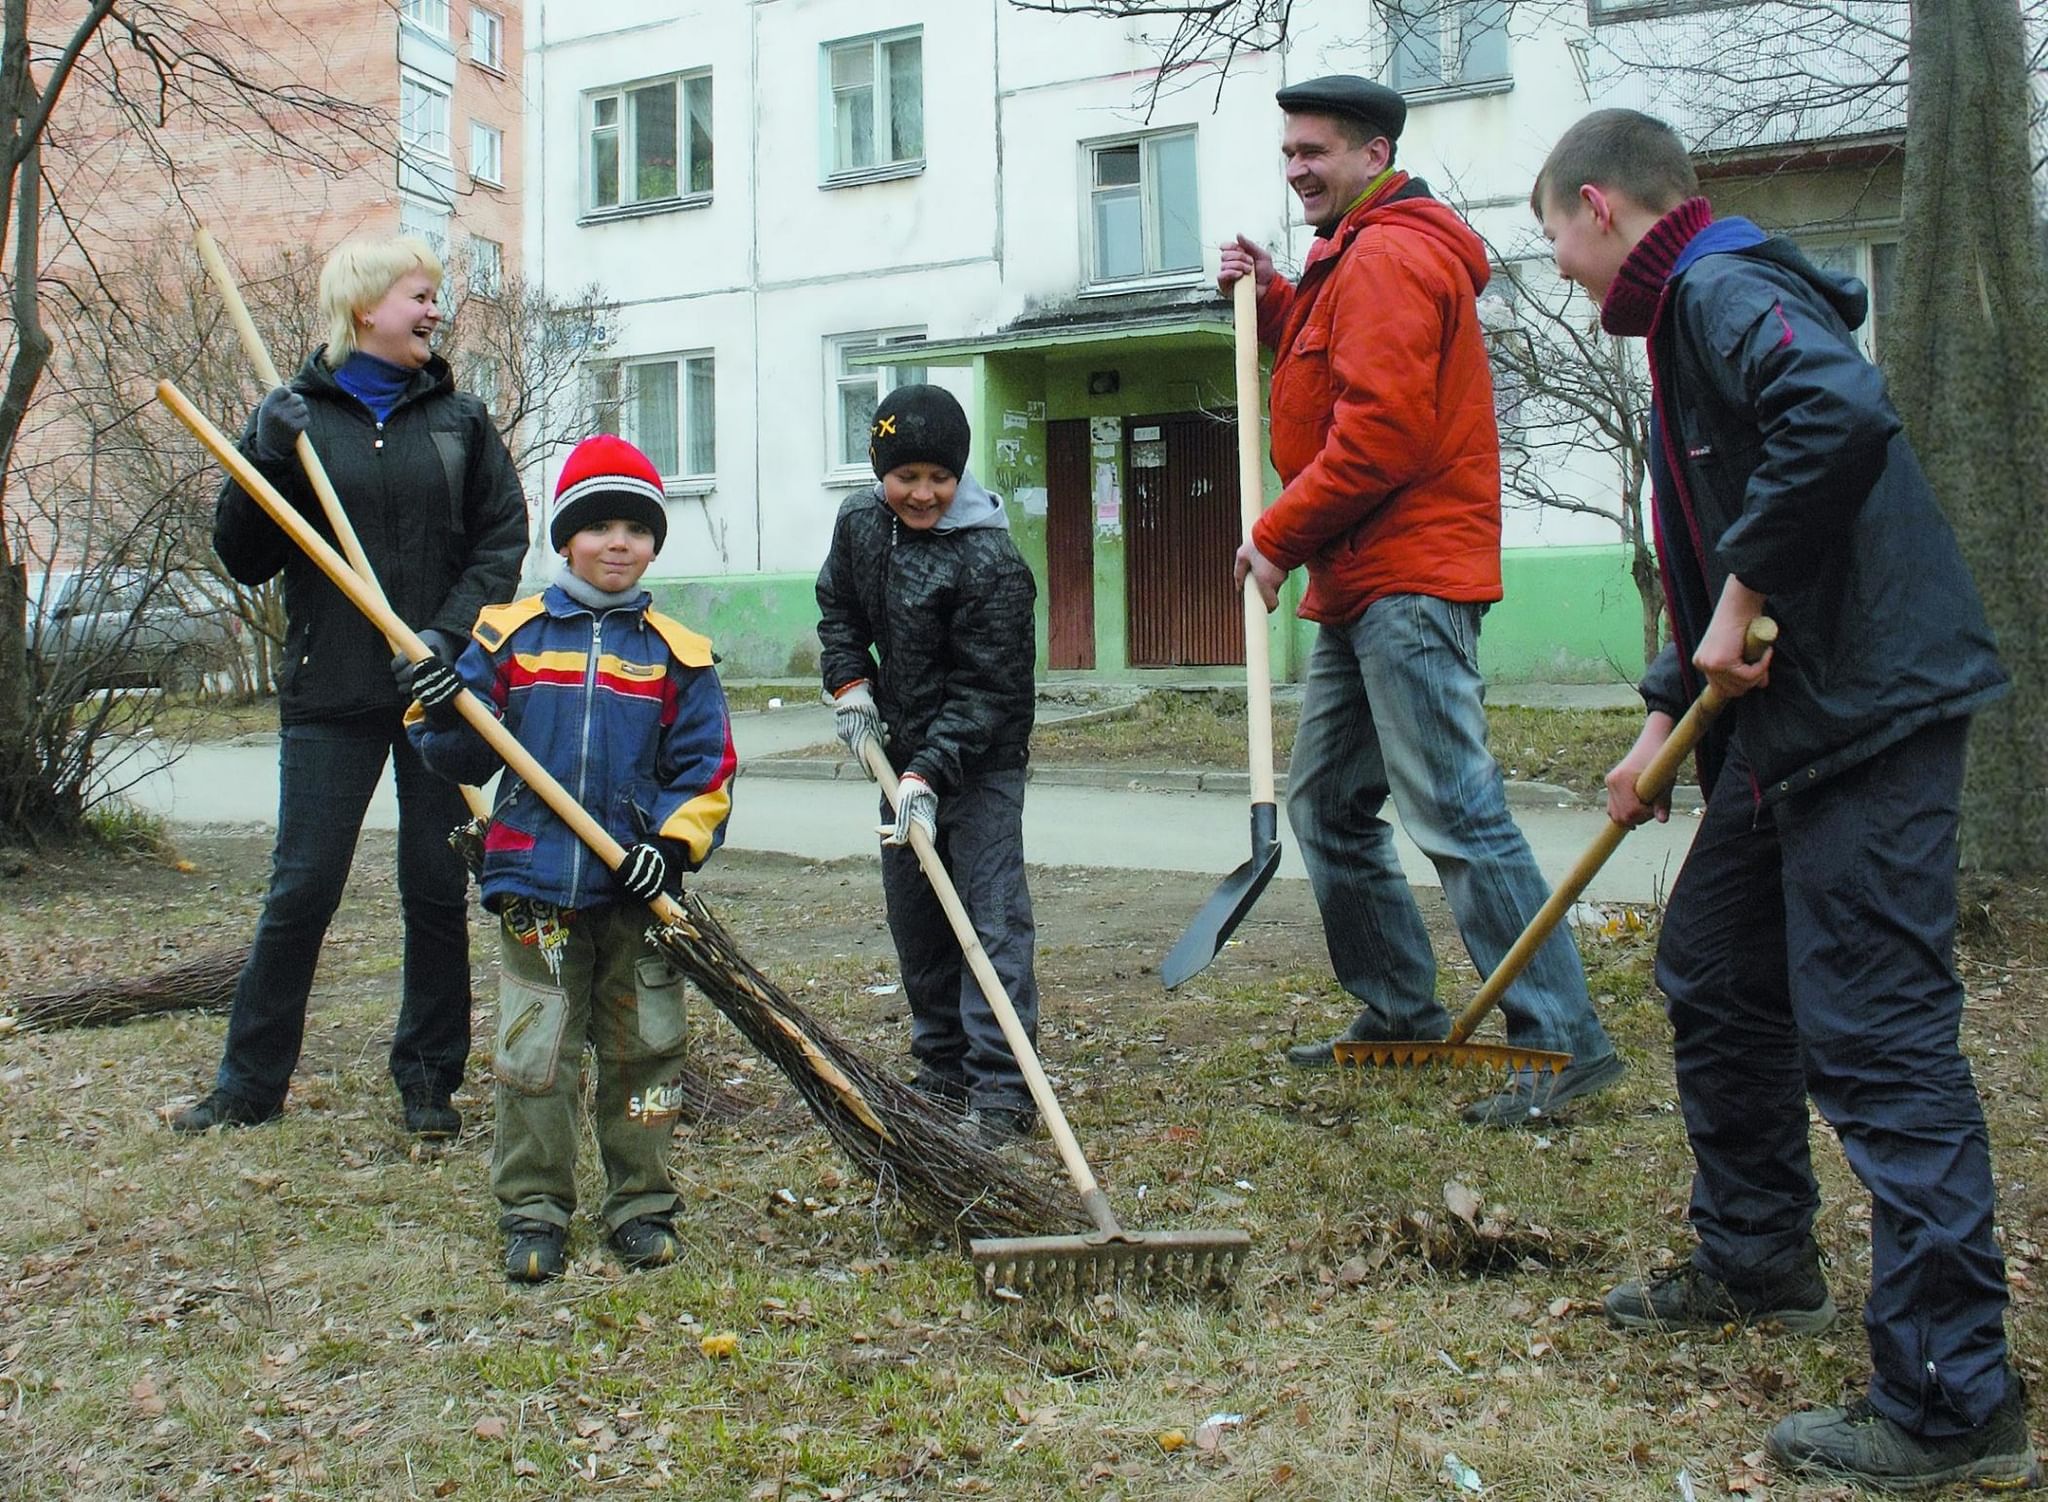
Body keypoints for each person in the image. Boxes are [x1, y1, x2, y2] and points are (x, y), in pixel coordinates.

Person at [1530, 108, 2032, 1491]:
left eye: (1556, 244)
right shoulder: (1689, 324)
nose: (1564, 273)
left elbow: (1841, 412)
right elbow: (1709, 566)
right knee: (1712, 967)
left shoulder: (1716, 290)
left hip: (1864, 708)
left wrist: (1747, 594)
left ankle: (1952, 1401)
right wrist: (1654, 722)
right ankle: (1757, 1257)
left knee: (1874, 1032)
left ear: (1597, 206)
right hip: (1792, 720)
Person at [1217, 75, 1621, 1126]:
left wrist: (1273, 537)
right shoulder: (1352, 253)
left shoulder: (1391, 253)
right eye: (1288, 153)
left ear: (1371, 152)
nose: (1296, 167)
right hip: (1360, 580)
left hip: (1407, 577)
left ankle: (1561, 1040)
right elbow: (1324, 363)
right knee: (1326, 804)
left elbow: (1380, 432)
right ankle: (1400, 1007)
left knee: (1453, 808)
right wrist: (1268, 297)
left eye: (1316, 151)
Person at [175, 236, 527, 1139]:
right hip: (327, 693)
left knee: (432, 886)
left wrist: (447, 638)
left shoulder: (461, 421)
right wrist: (261, 453)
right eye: (421, 294)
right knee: (302, 888)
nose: (436, 310)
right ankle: (249, 1086)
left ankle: (428, 1081)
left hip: (434, 692)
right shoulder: (295, 420)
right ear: (368, 307)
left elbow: (499, 540)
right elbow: (245, 558)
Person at [403, 434, 734, 1282]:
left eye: (636, 527)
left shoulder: (677, 654)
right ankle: (534, 1210)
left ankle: (642, 1205)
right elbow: (456, 754)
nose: (617, 542)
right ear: (564, 539)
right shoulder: (510, 637)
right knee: (534, 1054)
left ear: (655, 542)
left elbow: (708, 771)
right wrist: (445, 707)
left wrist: (669, 845)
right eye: (597, 526)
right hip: (536, 886)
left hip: (636, 894)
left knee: (646, 1051)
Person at [815, 384, 1041, 1150]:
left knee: (987, 915)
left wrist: (930, 773)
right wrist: (850, 682)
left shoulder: (989, 558)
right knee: (918, 916)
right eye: (905, 476)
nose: (922, 493)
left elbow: (988, 688)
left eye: (938, 477)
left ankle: (1004, 1090)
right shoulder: (859, 523)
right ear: (879, 470)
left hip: (979, 759)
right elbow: (838, 607)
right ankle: (943, 1072)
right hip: (901, 754)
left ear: (960, 473)